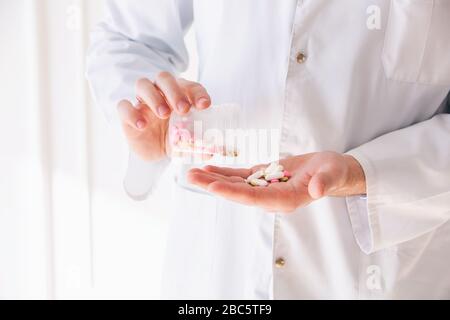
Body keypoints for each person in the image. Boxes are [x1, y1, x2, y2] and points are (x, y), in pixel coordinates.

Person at [86, 0, 450, 299]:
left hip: (386, 276)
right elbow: (126, 39)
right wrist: (149, 112)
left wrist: (362, 172)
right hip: (221, 273)